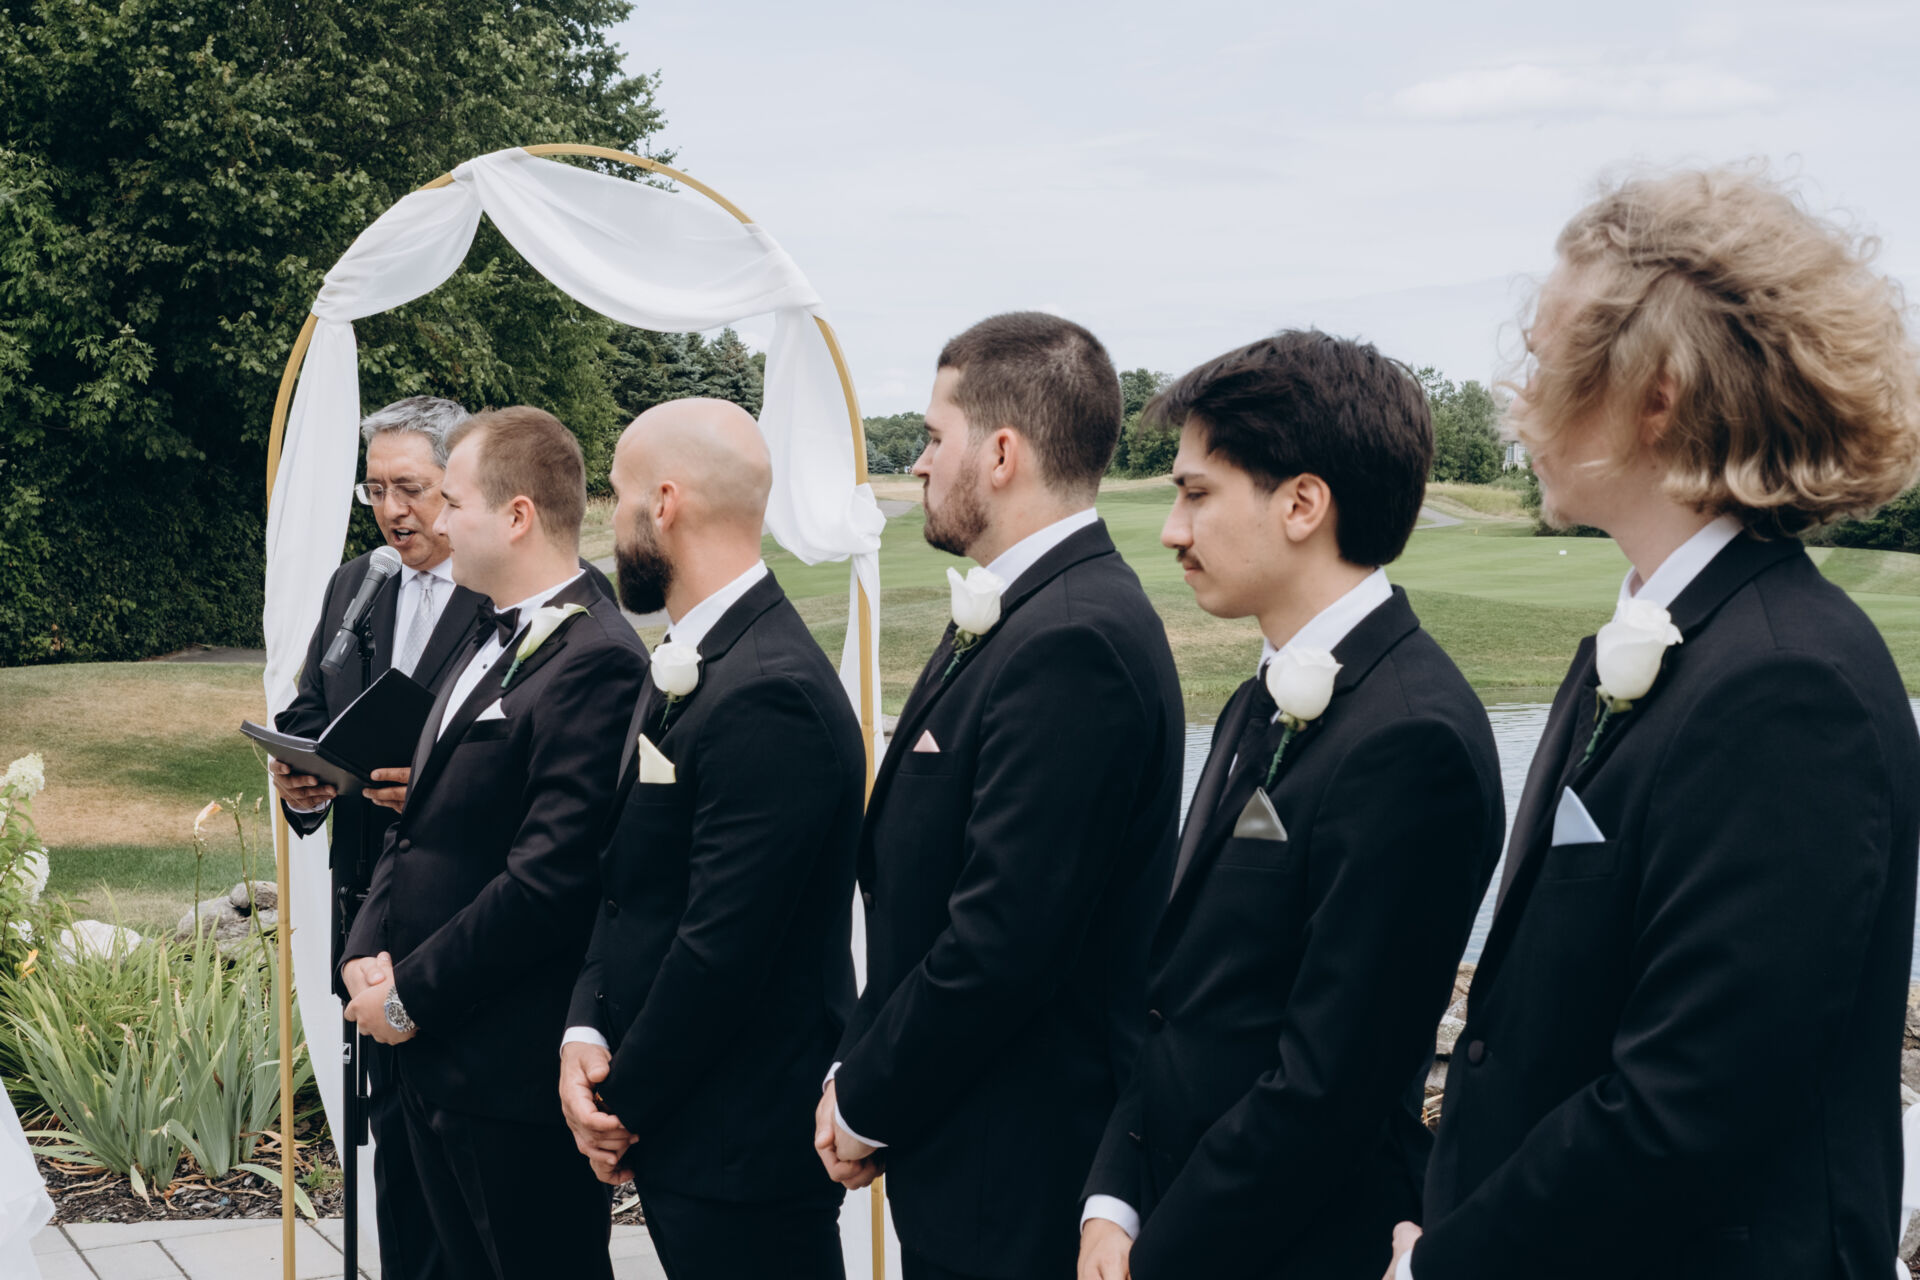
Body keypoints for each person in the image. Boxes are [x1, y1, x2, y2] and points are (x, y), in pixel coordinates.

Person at [1392, 168, 1920, 1280]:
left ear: (1658, 395)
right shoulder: (1646, 642)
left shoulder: (1789, 684)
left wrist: (1451, 1262)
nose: (1516, 397)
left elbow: (1692, 1100)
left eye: (1545, 360)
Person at [1077, 333, 1504, 1280]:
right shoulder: (1257, 698)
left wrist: (1159, 1257)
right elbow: (1179, 996)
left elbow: (1328, 1086)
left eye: (1196, 494)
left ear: (1302, 504)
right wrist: (1113, 1200)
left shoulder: (1412, 739)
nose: (1172, 531)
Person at [816, 312, 1185, 1280]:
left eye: (934, 437)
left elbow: (1003, 937)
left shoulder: (1075, 638)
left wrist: (867, 1098)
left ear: (1002, 453)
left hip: (1022, 1167)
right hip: (965, 1141)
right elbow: (915, 888)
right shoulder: (1018, 607)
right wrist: (858, 1065)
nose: (919, 464)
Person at [557, 398, 865, 1279]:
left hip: (743, 1148)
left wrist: (620, 1105)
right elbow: (628, 880)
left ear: (664, 503)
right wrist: (584, 1026)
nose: (610, 521)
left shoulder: (771, 688)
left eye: (618, 496)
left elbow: (723, 944)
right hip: (688, 1130)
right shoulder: (693, 657)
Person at [339, 406, 648, 1280]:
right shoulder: (483, 630)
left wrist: (409, 998)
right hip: (428, 1061)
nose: (437, 524)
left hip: (506, 1071)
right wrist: (365, 950)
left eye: (454, 502)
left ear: (516, 515)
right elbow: (418, 824)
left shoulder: (597, 657)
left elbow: (548, 881)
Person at [270, 395, 479, 1280]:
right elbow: (313, 709)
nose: (392, 510)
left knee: (476, 1198)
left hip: (466, 926)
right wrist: (301, 778)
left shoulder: (504, 588)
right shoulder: (358, 583)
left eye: (411, 488)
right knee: (398, 1178)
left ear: (458, 483)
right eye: (376, 490)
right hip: (366, 921)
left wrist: (436, 788)